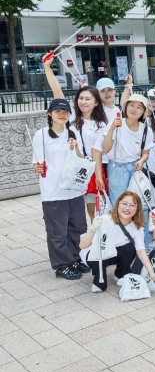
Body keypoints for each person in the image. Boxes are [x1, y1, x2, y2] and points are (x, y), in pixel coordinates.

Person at [43, 56, 108, 220]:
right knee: (73, 207)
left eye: (88, 99)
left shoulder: (101, 124)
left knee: (94, 208)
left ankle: (95, 234)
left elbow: (97, 151)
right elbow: (58, 92)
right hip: (70, 166)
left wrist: (98, 176)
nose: (83, 102)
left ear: (96, 103)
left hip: (91, 168)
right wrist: (47, 68)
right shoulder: (71, 115)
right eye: (81, 98)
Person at [33, 98, 89, 280]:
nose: (62, 114)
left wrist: (75, 147)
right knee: (57, 231)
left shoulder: (73, 132)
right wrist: (38, 167)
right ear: (50, 113)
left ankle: (75, 259)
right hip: (53, 191)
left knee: (77, 227)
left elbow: (81, 158)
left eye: (65, 112)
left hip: (74, 189)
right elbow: (37, 162)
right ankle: (62, 265)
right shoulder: (41, 135)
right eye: (58, 111)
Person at [81, 191, 155, 292]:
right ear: (118, 204)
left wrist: (151, 273)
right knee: (100, 287)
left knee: (130, 247)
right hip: (95, 255)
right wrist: (93, 228)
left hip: (113, 253)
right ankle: (99, 279)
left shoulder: (137, 227)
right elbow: (82, 246)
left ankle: (121, 274)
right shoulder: (105, 220)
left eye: (132, 205)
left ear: (137, 209)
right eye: (124, 204)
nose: (127, 208)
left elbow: (141, 251)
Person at [96, 94, 154, 205]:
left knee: (136, 202)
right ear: (126, 107)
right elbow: (105, 149)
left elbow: (146, 153)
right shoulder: (116, 124)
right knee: (118, 202)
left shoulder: (146, 130)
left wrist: (141, 161)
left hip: (135, 168)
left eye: (139, 107)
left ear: (143, 112)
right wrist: (112, 129)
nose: (134, 109)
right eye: (131, 105)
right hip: (116, 167)